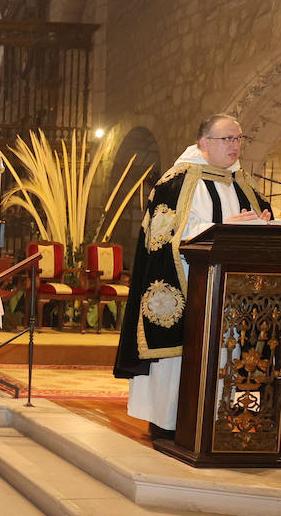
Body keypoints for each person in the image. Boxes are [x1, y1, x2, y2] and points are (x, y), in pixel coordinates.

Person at [114, 114, 271, 440]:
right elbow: (166, 236)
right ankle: (169, 422)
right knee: (180, 355)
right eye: (226, 139)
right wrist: (227, 228)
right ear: (204, 144)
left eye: (238, 138)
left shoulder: (242, 182)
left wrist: (263, 225)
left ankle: (223, 422)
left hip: (231, 295)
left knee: (230, 353)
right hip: (189, 286)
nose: (234, 146)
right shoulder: (177, 183)